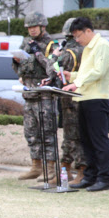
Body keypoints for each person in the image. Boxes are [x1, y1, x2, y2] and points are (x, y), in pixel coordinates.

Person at [63, 17, 109, 192]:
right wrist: (70, 76)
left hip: (96, 98)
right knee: (86, 141)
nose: (77, 40)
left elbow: (98, 72)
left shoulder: (102, 46)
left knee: (99, 140)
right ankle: (90, 176)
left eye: (78, 36)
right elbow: (85, 72)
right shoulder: (88, 49)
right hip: (84, 97)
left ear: (88, 31)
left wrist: (77, 83)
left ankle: (105, 178)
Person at [12, 11, 56, 181]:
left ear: (42, 26)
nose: (31, 30)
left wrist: (38, 54)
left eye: (34, 26)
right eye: (29, 27)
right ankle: (36, 166)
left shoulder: (52, 44)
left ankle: (50, 168)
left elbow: (52, 68)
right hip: (29, 94)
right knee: (31, 133)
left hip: (45, 96)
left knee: (47, 133)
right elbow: (20, 68)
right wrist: (17, 63)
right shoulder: (26, 43)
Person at [41, 17, 86, 181]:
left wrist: (53, 56)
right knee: (74, 135)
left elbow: (51, 70)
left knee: (72, 136)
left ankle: (80, 171)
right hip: (83, 96)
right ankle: (65, 170)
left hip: (70, 98)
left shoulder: (69, 53)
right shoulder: (86, 50)